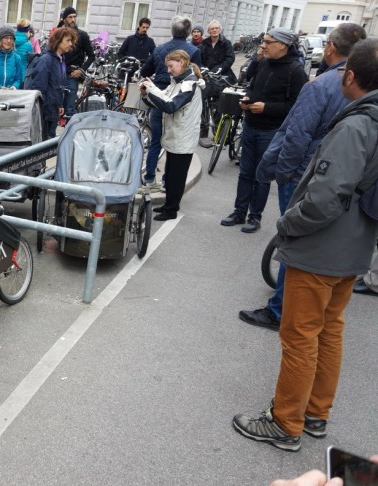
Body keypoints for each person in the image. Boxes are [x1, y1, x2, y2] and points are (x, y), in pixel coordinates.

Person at [232, 38, 378, 452]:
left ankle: (285, 423)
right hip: (354, 245)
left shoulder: (356, 125)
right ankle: (315, 413)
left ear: (350, 76)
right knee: (329, 331)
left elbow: (324, 198)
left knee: (300, 336)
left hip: (321, 248)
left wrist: (288, 225)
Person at [237, 23, 367, 330]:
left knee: (293, 243)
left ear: (331, 47)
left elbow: (297, 135)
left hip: (306, 175)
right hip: (348, 180)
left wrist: (284, 174)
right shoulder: (365, 88)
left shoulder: (321, 85)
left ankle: (279, 310)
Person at [219, 28, 308, 233]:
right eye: (264, 41)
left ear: (283, 45)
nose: (263, 45)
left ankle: (255, 217)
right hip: (251, 125)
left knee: (262, 176)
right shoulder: (264, 63)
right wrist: (248, 98)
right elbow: (252, 87)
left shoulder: (296, 71)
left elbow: (296, 107)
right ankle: (239, 212)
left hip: (272, 132)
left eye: (268, 42)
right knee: (245, 172)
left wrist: (266, 108)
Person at [139, 50, 204, 221]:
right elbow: (163, 100)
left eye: (170, 66)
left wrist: (152, 88)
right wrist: (146, 94)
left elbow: (170, 106)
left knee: (177, 177)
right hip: (176, 136)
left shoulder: (189, 84)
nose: (168, 70)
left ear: (181, 62)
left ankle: (171, 210)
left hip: (183, 137)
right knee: (171, 173)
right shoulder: (178, 82)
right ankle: (169, 205)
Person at [139, 15, 201, 189]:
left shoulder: (160, 48)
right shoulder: (193, 51)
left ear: (172, 30)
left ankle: (149, 178)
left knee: (155, 141)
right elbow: (197, 75)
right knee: (173, 145)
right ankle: (167, 181)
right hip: (180, 101)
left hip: (158, 96)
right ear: (188, 32)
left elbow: (145, 71)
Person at [26, 27, 76, 139]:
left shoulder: (60, 59)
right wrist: (43, 113)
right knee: (43, 142)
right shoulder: (46, 60)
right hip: (45, 113)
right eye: (68, 40)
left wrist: (59, 104)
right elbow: (38, 89)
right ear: (58, 41)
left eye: (71, 41)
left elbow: (57, 85)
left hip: (53, 110)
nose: (70, 44)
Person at [60, 7, 96, 119]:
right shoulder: (59, 34)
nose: (73, 20)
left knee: (69, 109)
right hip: (58, 74)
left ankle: (69, 129)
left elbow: (91, 56)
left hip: (72, 75)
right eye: (70, 17)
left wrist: (81, 70)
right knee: (55, 107)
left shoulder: (82, 35)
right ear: (64, 19)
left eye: (74, 17)